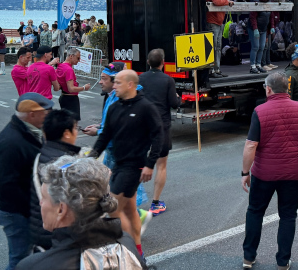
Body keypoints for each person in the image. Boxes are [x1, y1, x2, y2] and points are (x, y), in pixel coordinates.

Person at [241, 72, 298, 270]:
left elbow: (251, 145)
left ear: (268, 89)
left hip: (264, 173)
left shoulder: (260, 111)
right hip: (295, 172)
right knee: (288, 215)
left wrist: (245, 172)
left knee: (255, 211)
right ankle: (283, 261)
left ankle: (248, 257)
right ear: (287, 88)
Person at [17, 156, 145, 270]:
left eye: (44, 198)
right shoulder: (126, 244)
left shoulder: (34, 266)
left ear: (61, 209)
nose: (40, 203)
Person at [89, 70, 163, 256]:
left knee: (112, 210)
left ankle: (129, 252)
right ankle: (138, 252)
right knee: (130, 211)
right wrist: (91, 157)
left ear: (130, 85)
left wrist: (150, 164)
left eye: (118, 83)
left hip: (134, 166)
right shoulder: (114, 107)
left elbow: (158, 137)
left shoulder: (146, 107)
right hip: (118, 164)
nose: (114, 86)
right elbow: (105, 136)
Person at [0, 92, 53, 270]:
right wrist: (32, 207)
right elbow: (8, 185)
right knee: (19, 258)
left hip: (21, 209)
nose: (48, 116)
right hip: (16, 212)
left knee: (25, 255)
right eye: (45, 113)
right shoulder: (11, 142)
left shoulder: (28, 131)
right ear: (32, 114)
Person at [29, 109, 83, 250]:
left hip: (42, 228)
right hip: (57, 233)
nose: (77, 133)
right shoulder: (64, 164)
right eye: (75, 128)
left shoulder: (42, 155)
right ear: (66, 133)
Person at [139, 48, 181, 216]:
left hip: (142, 125)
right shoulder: (168, 80)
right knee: (161, 166)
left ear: (148, 62)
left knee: (137, 163)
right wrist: (178, 97)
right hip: (162, 126)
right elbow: (174, 103)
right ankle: (155, 203)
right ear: (163, 63)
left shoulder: (140, 78)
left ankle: (132, 200)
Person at [206, 0, 234, 78]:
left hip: (219, 23)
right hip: (212, 23)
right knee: (213, 46)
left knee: (217, 47)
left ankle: (217, 69)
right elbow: (216, 2)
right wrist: (227, 2)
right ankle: (212, 70)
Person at [56, 47, 92, 120]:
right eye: (78, 58)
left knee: (65, 121)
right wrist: (84, 88)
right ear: (71, 56)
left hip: (64, 97)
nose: (79, 60)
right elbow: (71, 89)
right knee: (72, 123)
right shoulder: (68, 69)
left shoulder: (60, 66)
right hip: (71, 99)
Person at [248, 0, 273, 74]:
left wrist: (272, 27)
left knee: (262, 47)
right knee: (255, 47)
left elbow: (271, 17)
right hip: (254, 28)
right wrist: (255, 29)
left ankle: (258, 65)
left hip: (264, 29)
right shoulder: (256, 2)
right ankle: (252, 66)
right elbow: (252, 17)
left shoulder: (270, 4)